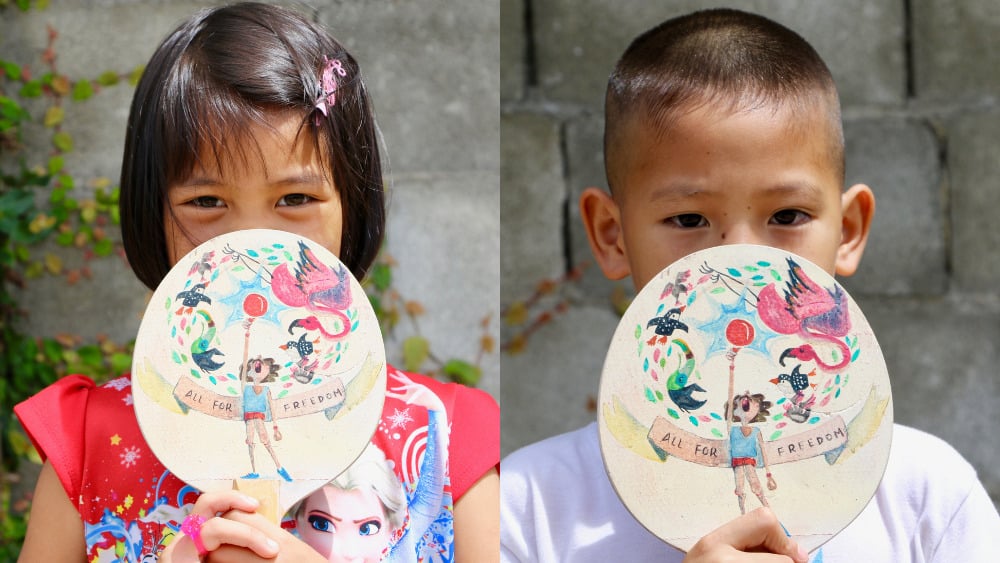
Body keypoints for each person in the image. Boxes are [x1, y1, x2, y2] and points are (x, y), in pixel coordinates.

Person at [500, 8, 1000, 562]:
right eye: (689, 220)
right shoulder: (530, 509)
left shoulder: (926, 497)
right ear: (612, 235)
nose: (742, 262)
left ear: (849, 230)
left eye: (787, 216)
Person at [14, 3, 499, 562]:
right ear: (152, 213)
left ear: (354, 205)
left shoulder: (445, 437)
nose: (251, 246)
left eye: (295, 199)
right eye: (206, 202)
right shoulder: (88, 440)